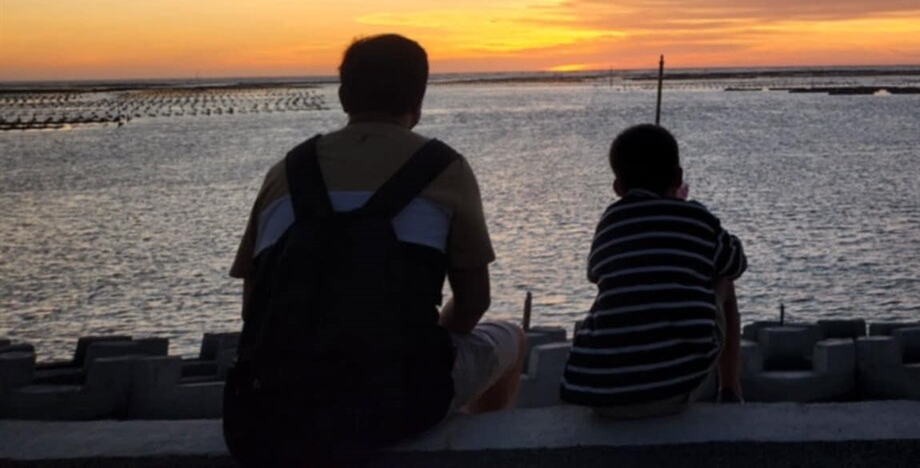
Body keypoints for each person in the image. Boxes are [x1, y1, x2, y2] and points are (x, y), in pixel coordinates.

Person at [225, 34, 524, 465]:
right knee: (510, 337)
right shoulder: (445, 169)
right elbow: (475, 303)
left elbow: (254, 306)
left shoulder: (285, 172)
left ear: (344, 95)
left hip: (269, 409)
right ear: (418, 101)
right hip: (398, 405)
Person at [560, 123, 746, 415]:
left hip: (599, 393)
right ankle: (730, 390)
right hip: (673, 387)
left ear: (618, 188)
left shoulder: (610, 221)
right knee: (722, 275)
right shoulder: (696, 218)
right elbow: (737, 263)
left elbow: (595, 272)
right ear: (678, 177)